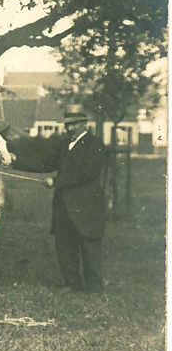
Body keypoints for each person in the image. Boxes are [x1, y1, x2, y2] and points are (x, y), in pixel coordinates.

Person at [41, 103, 108, 294]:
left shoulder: (95, 145)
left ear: (83, 123)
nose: (69, 128)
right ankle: (72, 284)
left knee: (89, 246)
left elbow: (85, 174)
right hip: (63, 204)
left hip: (87, 205)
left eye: (73, 124)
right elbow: (45, 163)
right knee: (64, 245)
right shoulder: (64, 145)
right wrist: (14, 160)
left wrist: (55, 181)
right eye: (67, 125)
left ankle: (94, 288)